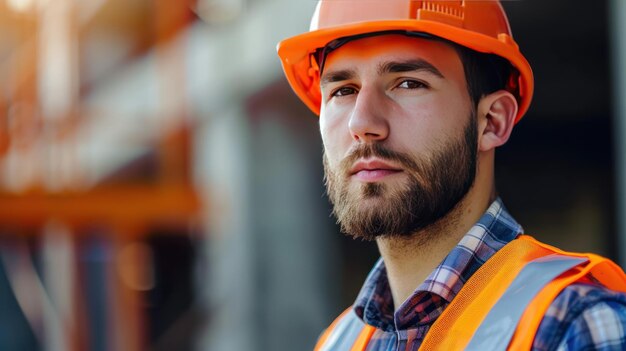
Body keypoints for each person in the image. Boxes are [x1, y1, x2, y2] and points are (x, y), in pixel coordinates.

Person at [277, 1, 626, 350]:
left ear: (491, 121)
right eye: (342, 91)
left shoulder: (575, 323)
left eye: (408, 83)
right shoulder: (337, 343)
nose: (362, 124)